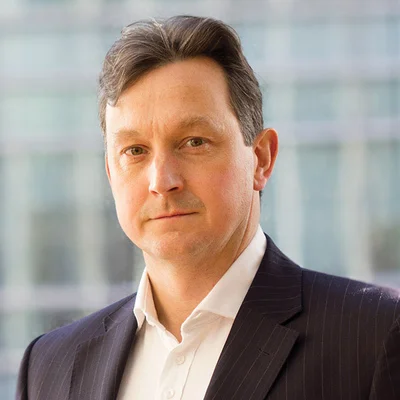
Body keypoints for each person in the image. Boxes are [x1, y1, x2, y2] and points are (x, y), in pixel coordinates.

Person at [17, 15, 400, 400]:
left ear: (261, 159)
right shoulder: (48, 366)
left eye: (194, 142)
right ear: (110, 173)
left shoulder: (374, 335)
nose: (162, 181)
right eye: (135, 151)